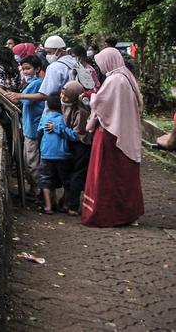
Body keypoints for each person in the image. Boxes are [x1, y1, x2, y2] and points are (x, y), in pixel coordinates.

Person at [81, 46, 145, 227]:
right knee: (123, 175)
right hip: (123, 132)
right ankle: (128, 213)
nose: (100, 67)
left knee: (106, 174)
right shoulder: (126, 76)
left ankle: (107, 215)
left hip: (111, 134)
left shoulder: (115, 80)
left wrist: (91, 95)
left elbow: (101, 103)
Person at [0, 54, 47, 199]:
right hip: (29, 126)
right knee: (29, 162)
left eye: (28, 68)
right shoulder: (30, 84)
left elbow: (16, 99)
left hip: (33, 128)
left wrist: (0, 90)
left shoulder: (36, 84)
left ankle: (42, 192)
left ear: (37, 69)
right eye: (24, 69)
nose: (25, 72)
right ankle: (36, 190)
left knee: (31, 163)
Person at [38, 92, 78, 214]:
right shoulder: (64, 119)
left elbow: (39, 133)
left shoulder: (44, 118)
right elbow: (74, 136)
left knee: (45, 180)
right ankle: (65, 204)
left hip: (46, 154)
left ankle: (48, 206)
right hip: (62, 154)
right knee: (67, 181)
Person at [60, 81, 93, 215]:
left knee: (77, 175)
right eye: (62, 94)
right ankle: (67, 202)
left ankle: (73, 205)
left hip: (81, 145)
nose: (63, 97)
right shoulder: (67, 106)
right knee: (69, 174)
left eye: (66, 96)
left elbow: (78, 134)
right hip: (70, 143)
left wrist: (60, 129)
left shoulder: (81, 112)